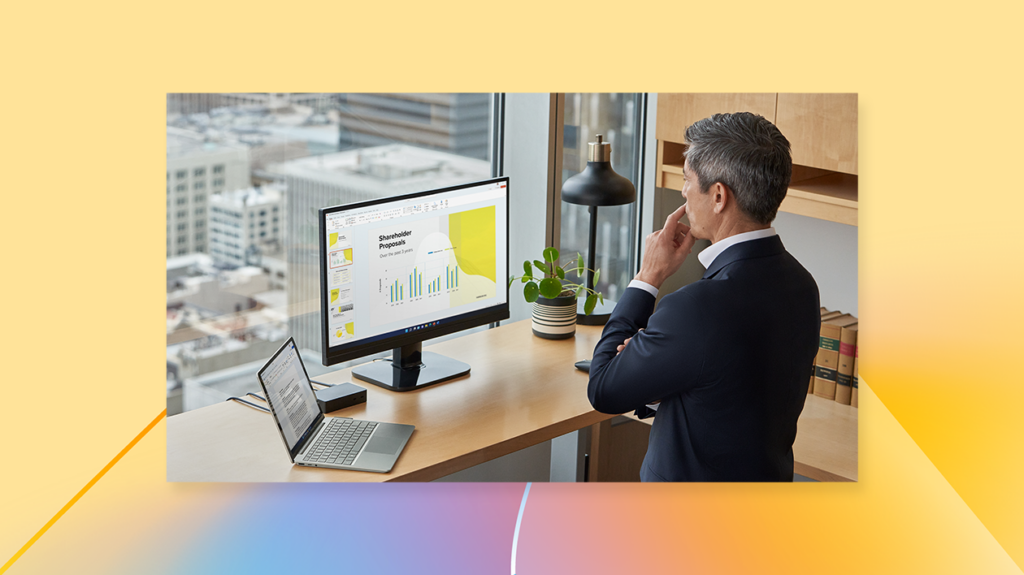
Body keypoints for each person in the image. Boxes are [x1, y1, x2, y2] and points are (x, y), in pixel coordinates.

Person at [587, 112, 820, 482]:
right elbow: (729, 393)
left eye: (686, 180)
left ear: (717, 196)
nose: (682, 192)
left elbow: (603, 389)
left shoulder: (694, 308)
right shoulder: (802, 286)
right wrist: (665, 365)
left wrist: (649, 277)